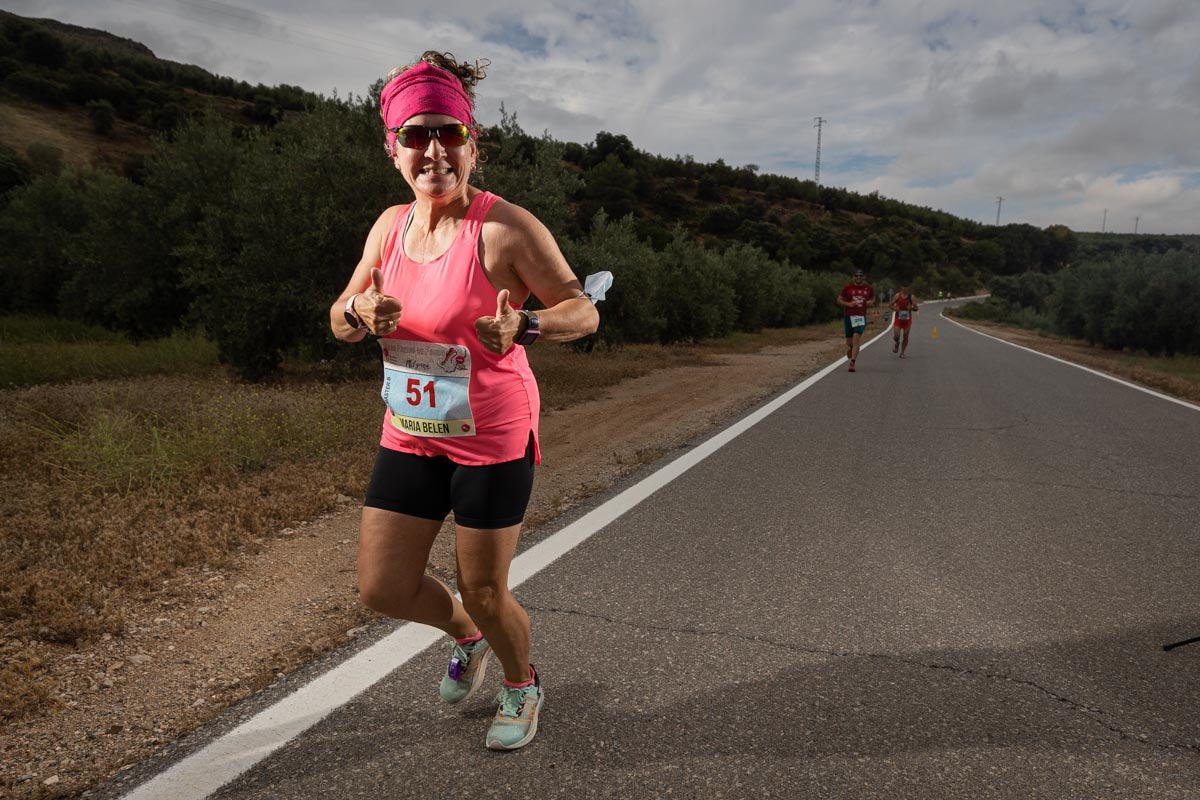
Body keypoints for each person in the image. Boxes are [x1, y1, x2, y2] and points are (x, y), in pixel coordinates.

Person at [329, 51, 599, 751]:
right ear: (394, 150)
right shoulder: (388, 227)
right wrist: (360, 311)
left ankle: (521, 681)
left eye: (448, 132)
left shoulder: (505, 228)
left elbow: (583, 308)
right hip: (411, 430)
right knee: (382, 587)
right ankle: (466, 635)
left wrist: (528, 325)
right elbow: (338, 314)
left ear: (472, 143)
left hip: (491, 437)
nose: (433, 150)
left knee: (484, 584)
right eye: (415, 136)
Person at [836, 267, 874, 372]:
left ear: (864, 277)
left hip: (860, 317)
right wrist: (848, 304)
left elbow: (872, 298)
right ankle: (853, 349)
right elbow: (838, 300)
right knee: (849, 342)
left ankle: (852, 363)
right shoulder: (848, 288)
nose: (858, 277)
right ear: (854, 277)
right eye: (856, 276)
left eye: (860, 276)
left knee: (856, 338)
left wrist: (871, 302)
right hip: (848, 316)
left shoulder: (868, 288)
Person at [890, 285, 918, 357]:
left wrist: (911, 308)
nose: (905, 288)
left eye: (906, 287)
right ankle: (897, 343)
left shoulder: (912, 297)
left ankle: (902, 352)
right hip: (898, 319)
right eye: (903, 287)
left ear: (908, 288)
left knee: (905, 336)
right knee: (896, 336)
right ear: (901, 287)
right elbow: (890, 306)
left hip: (907, 320)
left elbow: (916, 308)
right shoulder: (897, 296)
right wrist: (895, 309)